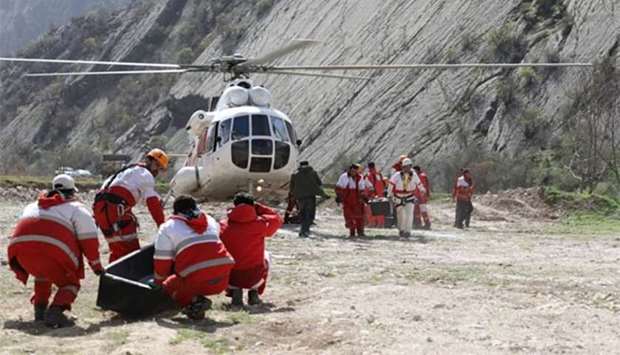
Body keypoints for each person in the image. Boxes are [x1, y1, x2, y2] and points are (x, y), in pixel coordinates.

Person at [8, 175, 103, 328]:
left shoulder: (32, 206)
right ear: (72, 192)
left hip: (19, 252)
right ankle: (55, 312)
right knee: (70, 284)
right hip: (52, 251)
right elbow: (89, 241)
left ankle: (39, 311)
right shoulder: (77, 209)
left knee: (42, 274)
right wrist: (96, 266)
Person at [152, 195, 234, 320]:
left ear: (175, 211)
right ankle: (196, 298)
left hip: (197, 281)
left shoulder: (168, 227)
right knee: (194, 270)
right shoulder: (210, 220)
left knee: (169, 285)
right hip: (222, 279)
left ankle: (195, 302)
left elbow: (162, 262)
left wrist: (158, 282)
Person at [93, 148, 168, 262]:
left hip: (101, 210)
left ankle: (111, 276)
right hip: (116, 210)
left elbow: (135, 195)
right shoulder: (146, 175)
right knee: (131, 251)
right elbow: (152, 203)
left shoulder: (128, 171)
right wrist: (163, 227)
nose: (157, 171)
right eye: (158, 167)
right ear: (152, 162)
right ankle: (126, 277)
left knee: (117, 249)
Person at [220, 193, 283, 306]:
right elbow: (277, 219)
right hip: (253, 276)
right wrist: (259, 207)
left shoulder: (223, 224)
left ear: (235, 206)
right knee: (266, 255)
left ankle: (234, 290)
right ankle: (254, 292)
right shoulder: (260, 224)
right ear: (252, 206)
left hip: (231, 277)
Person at [388, 159, 426, 238]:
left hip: (409, 196)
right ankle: (401, 229)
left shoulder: (414, 175)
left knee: (409, 214)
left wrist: (422, 190)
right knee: (400, 215)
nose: (407, 168)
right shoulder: (397, 175)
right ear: (402, 167)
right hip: (398, 196)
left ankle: (407, 231)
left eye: (408, 166)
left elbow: (419, 184)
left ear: (410, 166)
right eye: (405, 167)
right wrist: (389, 194)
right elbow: (391, 185)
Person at [289, 161, 326, 237]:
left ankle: (303, 230)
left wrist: (293, 196)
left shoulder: (295, 174)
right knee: (309, 214)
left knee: (302, 213)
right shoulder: (313, 173)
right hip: (310, 197)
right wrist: (323, 194)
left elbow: (291, 187)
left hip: (300, 198)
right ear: (308, 165)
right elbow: (319, 184)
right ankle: (306, 230)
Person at [336, 164, 370, 237]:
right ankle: (352, 232)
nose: (353, 173)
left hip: (357, 200)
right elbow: (339, 187)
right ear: (350, 170)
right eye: (352, 171)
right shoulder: (343, 177)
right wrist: (339, 196)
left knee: (359, 217)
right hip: (347, 200)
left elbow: (362, 189)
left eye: (355, 171)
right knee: (348, 216)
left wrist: (364, 197)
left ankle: (360, 232)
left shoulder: (360, 177)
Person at [364, 162, 387, 227]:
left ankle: (372, 223)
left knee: (370, 209)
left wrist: (366, 195)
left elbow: (367, 186)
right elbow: (383, 184)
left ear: (368, 167)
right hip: (380, 194)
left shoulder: (368, 175)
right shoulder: (379, 174)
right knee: (380, 210)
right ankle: (381, 224)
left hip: (372, 195)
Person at [413, 165, 432, 230]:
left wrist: (420, 197)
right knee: (417, 211)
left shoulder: (421, 176)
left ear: (417, 170)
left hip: (421, 197)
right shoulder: (421, 175)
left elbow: (422, 187)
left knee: (423, 211)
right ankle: (419, 224)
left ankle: (427, 224)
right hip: (418, 196)